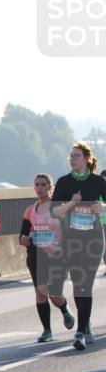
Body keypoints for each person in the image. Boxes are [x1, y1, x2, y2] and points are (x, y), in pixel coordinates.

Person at [51, 141, 105, 350]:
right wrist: (72, 203)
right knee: (78, 283)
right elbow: (54, 212)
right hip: (71, 240)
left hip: (93, 239)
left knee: (86, 285)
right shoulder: (64, 182)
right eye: (71, 156)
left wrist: (103, 206)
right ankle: (85, 324)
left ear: (87, 159)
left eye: (77, 156)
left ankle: (81, 331)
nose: (72, 159)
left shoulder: (98, 181)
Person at [18, 174, 75, 342]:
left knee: (54, 295)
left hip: (57, 255)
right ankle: (47, 331)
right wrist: (24, 240)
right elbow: (22, 234)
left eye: (43, 184)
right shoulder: (30, 210)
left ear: (51, 188)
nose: (40, 187)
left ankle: (64, 309)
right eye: (37, 184)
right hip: (36, 256)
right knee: (40, 293)